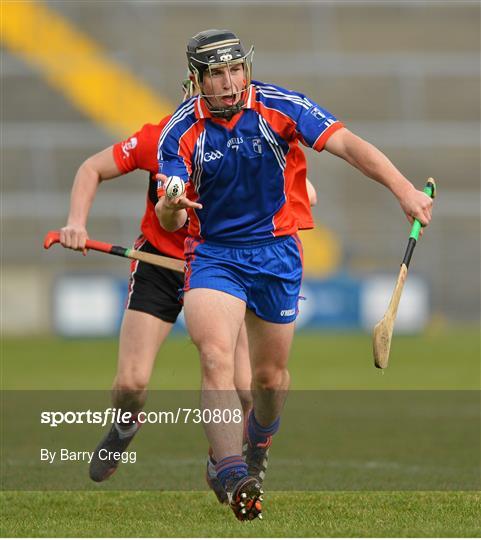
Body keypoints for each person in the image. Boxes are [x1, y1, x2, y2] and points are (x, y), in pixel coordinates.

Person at [155, 29, 433, 521]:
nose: (228, 82)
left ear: (247, 68)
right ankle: (233, 470)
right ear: (197, 79)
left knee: (270, 380)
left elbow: (347, 145)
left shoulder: (280, 107)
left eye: (235, 70)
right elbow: (170, 216)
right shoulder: (178, 132)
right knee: (216, 355)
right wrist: (172, 206)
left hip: (277, 253)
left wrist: (404, 191)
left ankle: (256, 446)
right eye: (216, 74)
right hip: (214, 254)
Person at [59, 83, 317, 504]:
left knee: (248, 389)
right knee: (131, 382)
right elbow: (92, 168)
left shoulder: (250, 136)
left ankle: (225, 461)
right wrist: (76, 222)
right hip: (162, 264)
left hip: (224, 268)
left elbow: (297, 188)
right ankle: (126, 424)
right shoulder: (162, 137)